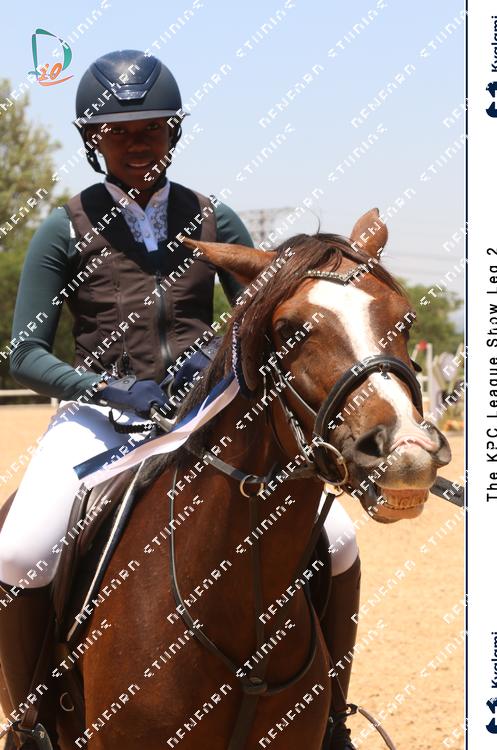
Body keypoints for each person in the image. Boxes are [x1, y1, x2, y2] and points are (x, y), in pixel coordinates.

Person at [0, 50, 360, 749]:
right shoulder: (63, 227)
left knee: (339, 541)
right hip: (101, 423)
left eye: (153, 128)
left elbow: (265, 319)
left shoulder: (215, 219)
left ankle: (332, 720)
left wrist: (212, 357)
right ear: (93, 139)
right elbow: (24, 353)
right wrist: (106, 388)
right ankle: (31, 723)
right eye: (120, 132)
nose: (138, 143)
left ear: (174, 132)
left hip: (202, 418)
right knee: (20, 551)